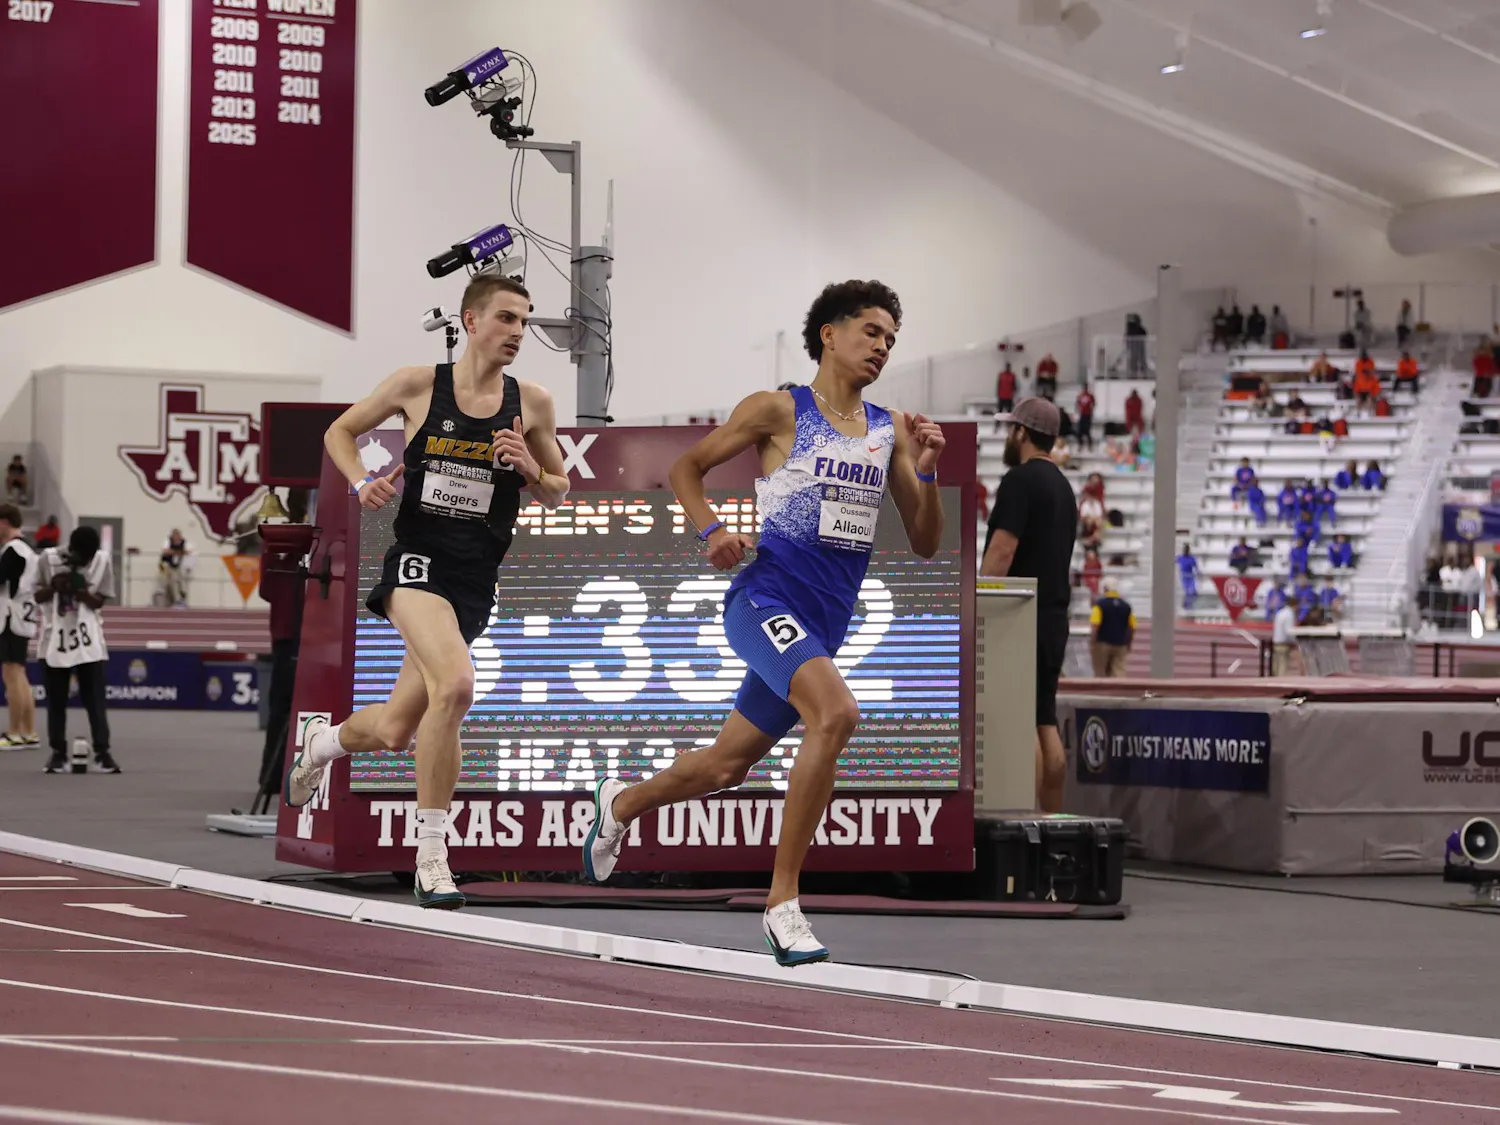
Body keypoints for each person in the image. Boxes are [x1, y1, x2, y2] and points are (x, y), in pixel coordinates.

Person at [582, 280, 944, 966]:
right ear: (829, 334)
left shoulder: (889, 429)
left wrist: (925, 472)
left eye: (892, 339)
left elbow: (925, 540)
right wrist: (710, 529)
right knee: (835, 713)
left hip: (822, 624)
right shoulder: (780, 409)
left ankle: (620, 803)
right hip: (763, 600)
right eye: (871, 331)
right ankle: (782, 905)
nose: (883, 347)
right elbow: (686, 468)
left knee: (725, 765)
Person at [283, 273, 570, 910]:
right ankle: (433, 856)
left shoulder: (534, 403)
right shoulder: (418, 384)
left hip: (474, 577)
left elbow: (558, 488)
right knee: (458, 686)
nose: (517, 333)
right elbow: (339, 431)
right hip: (416, 563)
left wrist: (529, 467)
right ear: (470, 322)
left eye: (525, 321)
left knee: (392, 730)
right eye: (506, 319)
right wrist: (362, 483)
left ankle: (322, 745)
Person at [980, 397, 1075, 814]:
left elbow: (1002, 550)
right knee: (1044, 719)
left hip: (1020, 618)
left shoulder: (1020, 481)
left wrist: (980, 605)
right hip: (1054, 617)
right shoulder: (1063, 486)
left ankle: (1025, 822)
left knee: (1022, 725)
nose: (1006, 437)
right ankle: (1054, 819)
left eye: (1010, 429)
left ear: (1021, 432)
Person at [36, 526, 117, 774]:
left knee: (94, 699)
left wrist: (81, 592)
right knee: (56, 699)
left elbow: (99, 601)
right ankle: (58, 752)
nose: (87, 561)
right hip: (54, 638)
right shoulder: (47, 559)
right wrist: (55, 587)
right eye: (83, 557)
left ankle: (103, 752)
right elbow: (37, 595)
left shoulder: (102, 561)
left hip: (88, 639)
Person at [0, 505, 38, 749]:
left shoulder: (13, 551)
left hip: (10, 617)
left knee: (11, 674)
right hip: (23, 617)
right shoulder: (28, 550)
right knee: (19, 674)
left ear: (4, 523)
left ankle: (14, 732)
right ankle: (28, 731)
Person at [1089, 584, 1134, 678]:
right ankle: (1118, 691)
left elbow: (1095, 625)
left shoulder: (1100, 605)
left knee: (1100, 671)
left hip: (1102, 642)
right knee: (1119, 671)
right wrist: (1129, 643)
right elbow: (1132, 627)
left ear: (1105, 589)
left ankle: (1101, 691)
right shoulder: (1126, 606)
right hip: (1121, 644)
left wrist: (1093, 641)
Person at [159, 529, 192, 607]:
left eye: (178, 535)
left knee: (181, 582)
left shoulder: (184, 542)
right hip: (167, 565)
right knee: (170, 582)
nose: (176, 537)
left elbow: (188, 552)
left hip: (180, 566)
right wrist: (178, 552)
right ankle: (174, 600)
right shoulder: (167, 541)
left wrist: (176, 552)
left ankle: (181, 598)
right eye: (175, 535)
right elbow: (166, 551)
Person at [1271, 595, 1298, 676]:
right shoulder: (1289, 615)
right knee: (1283, 665)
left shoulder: (1280, 612)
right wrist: (1294, 642)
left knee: (1276, 665)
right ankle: (1280, 682)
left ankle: (1274, 681)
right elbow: (1288, 631)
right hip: (1284, 644)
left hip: (1276, 642)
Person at [1074, 384, 1095, 450]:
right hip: (1082, 414)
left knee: (1087, 430)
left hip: (1088, 415)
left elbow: (1093, 403)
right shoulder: (1080, 395)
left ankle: (1090, 445)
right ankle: (1080, 444)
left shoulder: (1090, 395)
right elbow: (1077, 403)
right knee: (1080, 431)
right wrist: (1079, 410)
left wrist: (1091, 411)